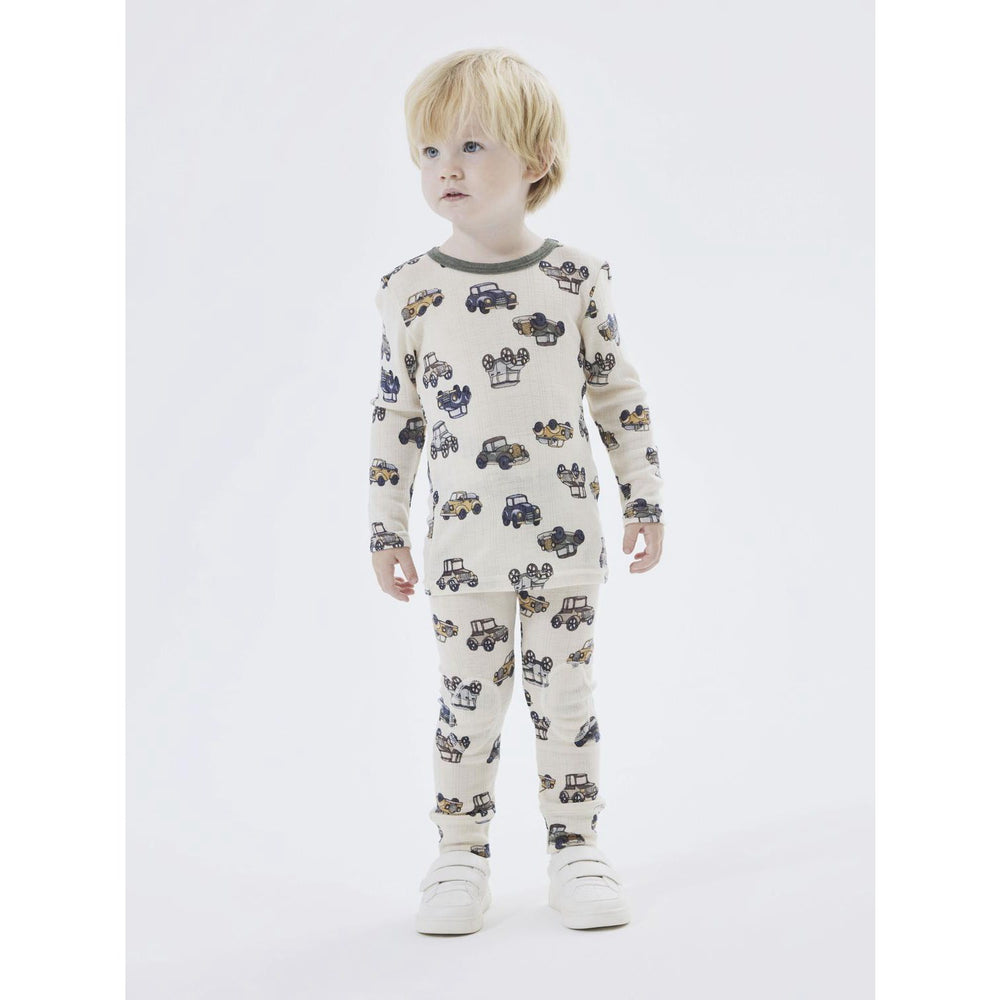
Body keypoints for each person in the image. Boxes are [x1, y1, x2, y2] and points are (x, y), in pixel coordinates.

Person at [367, 48, 664, 934]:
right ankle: (459, 856)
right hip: (461, 553)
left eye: (471, 145)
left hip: (564, 545)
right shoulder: (410, 292)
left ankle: (577, 848)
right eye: (429, 151)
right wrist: (385, 529)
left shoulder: (575, 279)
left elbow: (617, 394)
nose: (446, 168)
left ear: (536, 160)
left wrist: (645, 498)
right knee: (467, 705)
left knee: (565, 702)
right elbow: (396, 416)